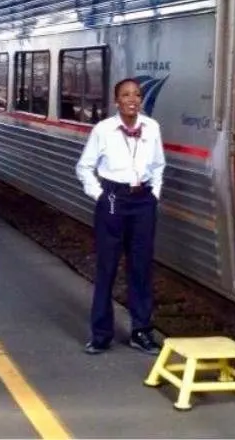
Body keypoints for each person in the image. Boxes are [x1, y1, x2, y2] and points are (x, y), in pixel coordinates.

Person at [75, 78, 166, 355]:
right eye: (126, 95)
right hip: (113, 200)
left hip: (143, 202)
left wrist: (154, 196)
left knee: (141, 268)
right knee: (107, 268)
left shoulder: (152, 127)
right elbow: (84, 167)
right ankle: (101, 334)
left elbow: (159, 165)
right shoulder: (103, 130)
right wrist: (100, 195)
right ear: (117, 101)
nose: (133, 99)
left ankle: (141, 331)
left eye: (137, 95)